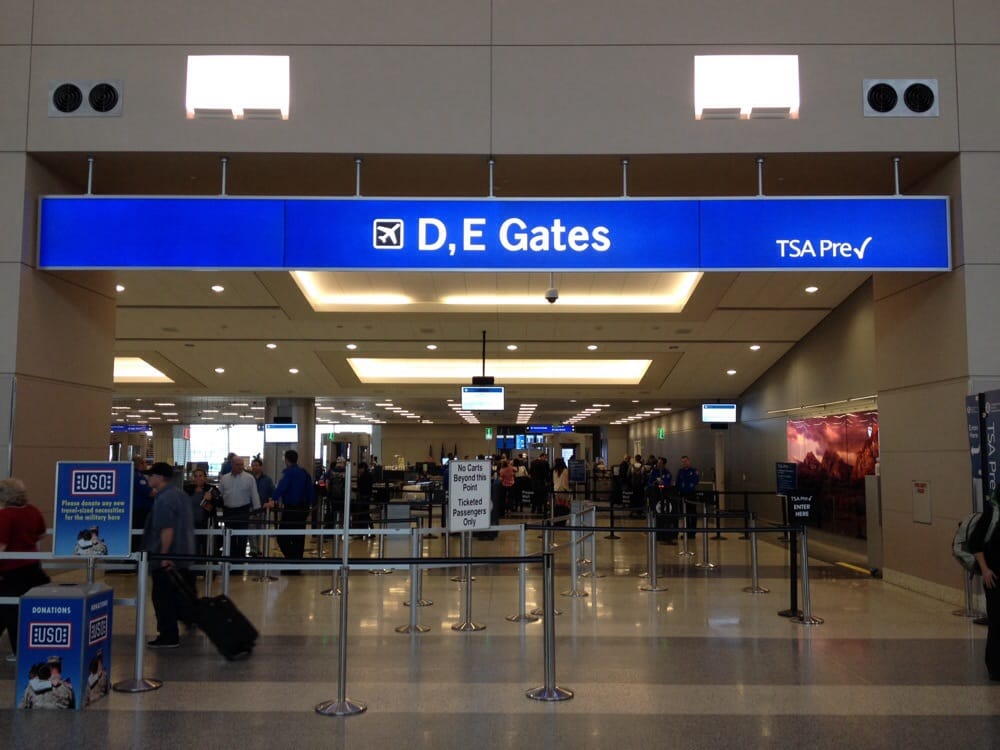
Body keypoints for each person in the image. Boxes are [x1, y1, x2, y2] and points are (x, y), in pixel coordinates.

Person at [144, 462, 196, 648]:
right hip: (185, 554)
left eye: (150, 476)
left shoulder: (164, 499)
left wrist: (163, 556)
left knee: (162, 597)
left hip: (168, 557)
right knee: (182, 594)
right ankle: (190, 618)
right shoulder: (180, 494)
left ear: (160, 477)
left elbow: (167, 529)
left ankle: (168, 635)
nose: (148, 479)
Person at [0, 478, 50, 661]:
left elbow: (1, 547)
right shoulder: (33, 511)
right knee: (16, 610)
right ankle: (21, 649)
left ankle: (19, 650)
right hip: (32, 568)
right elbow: (42, 534)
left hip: (11, 571)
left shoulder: (5, 515)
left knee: (8, 610)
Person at [267, 449, 315, 570]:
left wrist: (272, 499)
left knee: (282, 537)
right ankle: (297, 563)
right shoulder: (304, 473)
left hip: (291, 509)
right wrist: (309, 505)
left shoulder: (288, 473)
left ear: (286, 460)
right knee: (298, 537)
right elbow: (310, 490)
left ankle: (292, 561)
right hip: (303, 509)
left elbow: (281, 487)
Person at [971, 495, 1000, 681]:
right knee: (997, 624)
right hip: (995, 580)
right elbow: (975, 543)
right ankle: (995, 668)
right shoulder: (992, 513)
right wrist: (985, 570)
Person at [131, 455, 155, 552]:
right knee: (139, 534)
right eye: (145, 462)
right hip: (140, 511)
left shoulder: (139, 475)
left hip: (139, 510)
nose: (146, 465)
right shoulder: (138, 476)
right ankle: (137, 554)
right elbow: (149, 493)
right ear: (139, 464)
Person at [675, 455, 701, 540]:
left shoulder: (694, 471)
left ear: (689, 461)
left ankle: (692, 533)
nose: (684, 463)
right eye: (682, 462)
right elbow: (678, 482)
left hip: (691, 495)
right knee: (684, 514)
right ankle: (686, 531)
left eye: (686, 461)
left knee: (692, 514)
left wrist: (688, 487)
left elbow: (695, 481)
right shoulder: (680, 471)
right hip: (682, 495)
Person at [551, 457, 571, 522]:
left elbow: (554, 481)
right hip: (564, 489)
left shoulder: (554, 471)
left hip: (556, 489)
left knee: (558, 504)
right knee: (564, 504)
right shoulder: (565, 470)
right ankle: (564, 518)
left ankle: (557, 518)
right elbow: (567, 481)